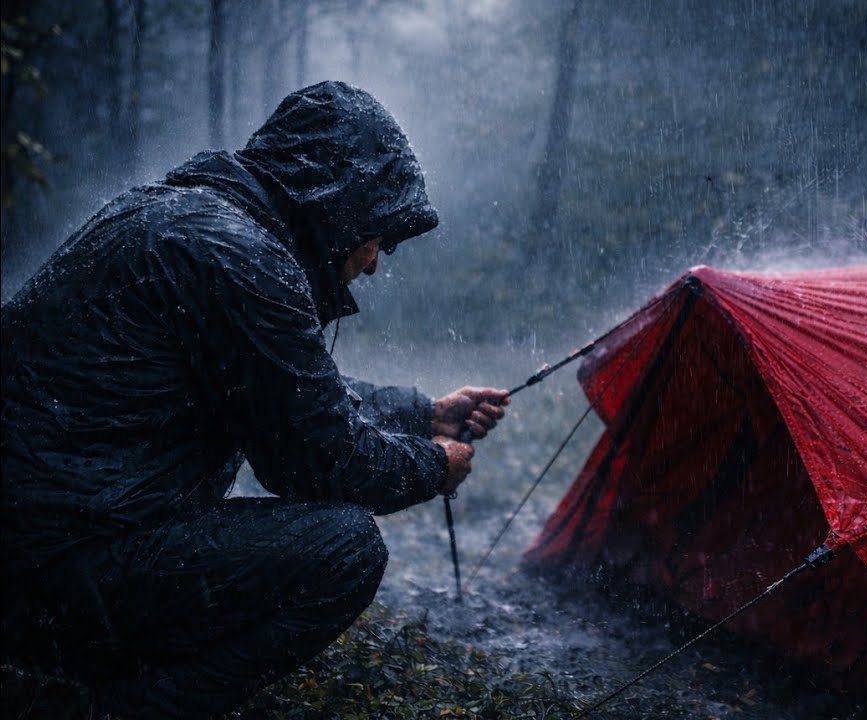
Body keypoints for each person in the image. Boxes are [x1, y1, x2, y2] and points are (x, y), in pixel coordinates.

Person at [0, 80, 508, 717]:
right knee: (345, 549)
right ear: (335, 202)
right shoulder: (241, 259)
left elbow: (277, 388)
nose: (376, 262)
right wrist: (435, 464)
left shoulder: (174, 216)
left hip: (32, 550)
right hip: (48, 576)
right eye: (377, 235)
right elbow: (322, 460)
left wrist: (419, 412)